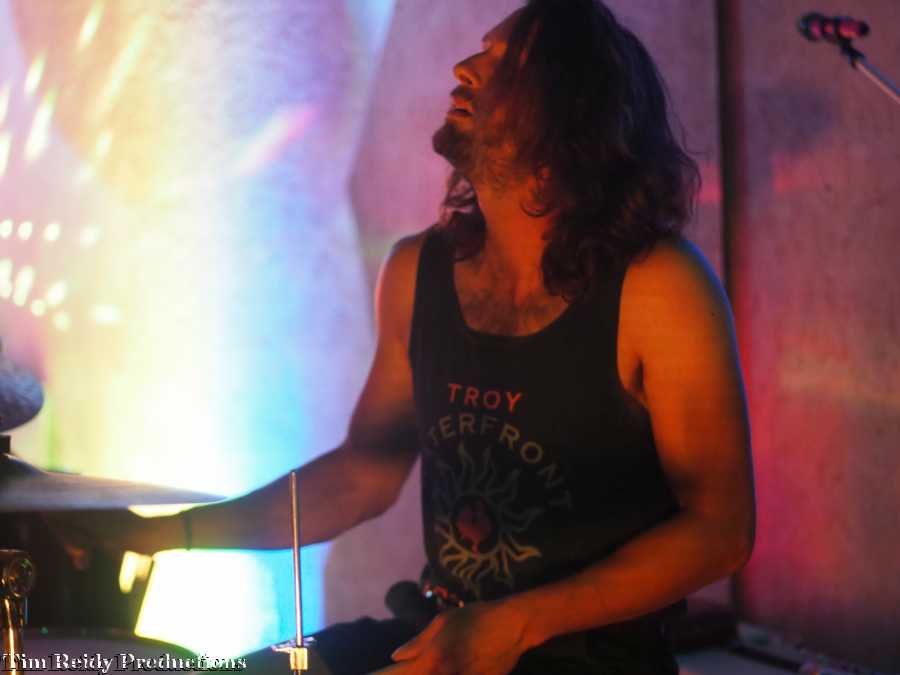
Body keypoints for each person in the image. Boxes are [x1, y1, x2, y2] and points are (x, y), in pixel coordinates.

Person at [70, 1, 755, 673]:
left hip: (588, 656)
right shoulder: (415, 272)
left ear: (573, 110)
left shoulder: (659, 286)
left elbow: (721, 529)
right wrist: (163, 534)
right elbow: (364, 473)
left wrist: (516, 622)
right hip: (440, 634)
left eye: (504, 63)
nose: (465, 69)